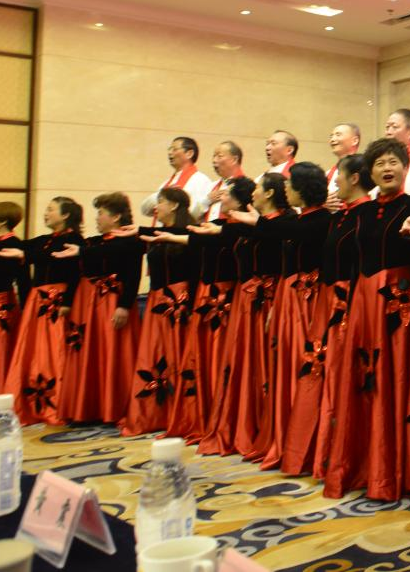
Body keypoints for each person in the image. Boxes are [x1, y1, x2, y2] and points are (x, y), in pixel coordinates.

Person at [324, 138, 410, 501]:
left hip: (400, 300)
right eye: (380, 163)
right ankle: (365, 466)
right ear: (371, 172)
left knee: (396, 376)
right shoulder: (362, 211)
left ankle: (396, 470)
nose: (387, 168)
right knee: (365, 380)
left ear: (404, 168)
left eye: (393, 162)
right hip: (364, 300)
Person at [231, 163, 332, 469]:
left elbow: (290, 231)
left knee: (305, 365)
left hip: (310, 302)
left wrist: (257, 222)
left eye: (290, 185)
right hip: (290, 301)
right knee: (286, 363)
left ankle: (306, 440)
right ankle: (286, 434)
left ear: (303, 187)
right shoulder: (300, 219)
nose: (286, 190)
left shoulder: (321, 219)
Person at [190, 174, 294, 455]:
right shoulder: (247, 223)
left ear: (269, 193)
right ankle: (247, 422)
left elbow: (279, 247)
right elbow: (222, 233)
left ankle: (269, 425)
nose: (254, 193)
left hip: (270, 299)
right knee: (246, 362)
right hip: (247, 299)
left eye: (258, 188)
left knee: (267, 362)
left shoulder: (283, 222)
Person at [282, 154, 370, 478]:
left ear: (354, 179)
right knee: (319, 372)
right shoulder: (339, 218)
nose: (334, 184)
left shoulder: (365, 215)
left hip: (348, 303)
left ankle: (341, 453)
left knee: (341, 375)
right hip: (328, 302)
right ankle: (317, 450)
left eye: (339, 178)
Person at [172, 176, 256, 443]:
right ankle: (203, 413)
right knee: (203, 355)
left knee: (222, 354)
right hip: (208, 294)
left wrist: (217, 232)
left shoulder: (245, 229)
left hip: (229, 297)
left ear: (240, 201)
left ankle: (223, 414)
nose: (222, 197)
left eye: (227, 194)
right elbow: (195, 237)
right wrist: (161, 234)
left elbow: (230, 235)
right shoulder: (220, 224)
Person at [53, 193, 144, 424]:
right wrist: (68, 302)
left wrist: (124, 306)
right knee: (85, 352)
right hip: (86, 303)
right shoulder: (92, 242)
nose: (97, 218)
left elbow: (133, 276)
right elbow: (77, 273)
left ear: (116, 217)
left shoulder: (131, 242)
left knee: (110, 350)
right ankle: (86, 407)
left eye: (101, 213)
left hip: (112, 301)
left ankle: (111, 407)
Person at [119, 187, 198, 436]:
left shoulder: (190, 233)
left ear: (174, 206)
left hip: (179, 301)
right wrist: (138, 231)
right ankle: (154, 413)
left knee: (178, 355)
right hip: (156, 300)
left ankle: (182, 412)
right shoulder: (155, 235)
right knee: (154, 355)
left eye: (161, 202)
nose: (156, 207)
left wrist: (190, 304)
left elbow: (194, 263)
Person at [0, 198, 84, 425]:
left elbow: (74, 273)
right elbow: (20, 245)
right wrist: (5, 240)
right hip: (38, 300)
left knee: (53, 350)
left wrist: (68, 301)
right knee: (34, 349)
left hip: (56, 301)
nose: (46, 213)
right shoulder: (45, 239)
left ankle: (55, 403)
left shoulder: (74, 241)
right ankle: (29, 401)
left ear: (65, 215)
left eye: (50, 209)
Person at [0, 202, 28, 394]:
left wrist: (26, 308)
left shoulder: (15, 245)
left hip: (1, 302)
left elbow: (23, 280)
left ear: (3, 221)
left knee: (0, 348)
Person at [140, 137, 213, 222]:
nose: (170, 153)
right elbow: (145, 210)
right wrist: (164, 195)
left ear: (189, 153)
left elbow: (195, 213)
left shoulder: (201, 180)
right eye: (170, 149)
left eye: (174, 149)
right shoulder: (167, 183)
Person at [199, 141, 245, 221]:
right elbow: (194, 214)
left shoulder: (245, 187)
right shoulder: (211, 186)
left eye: (219, 156)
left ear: (234, 159)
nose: (214, 160)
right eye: (214, 156)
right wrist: (207, 201)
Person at [326, 124, 361, 193]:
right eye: (331, 136)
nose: (332, 139)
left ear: (355, 140)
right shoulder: (327, 174)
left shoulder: (364, 170)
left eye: (338, 135)